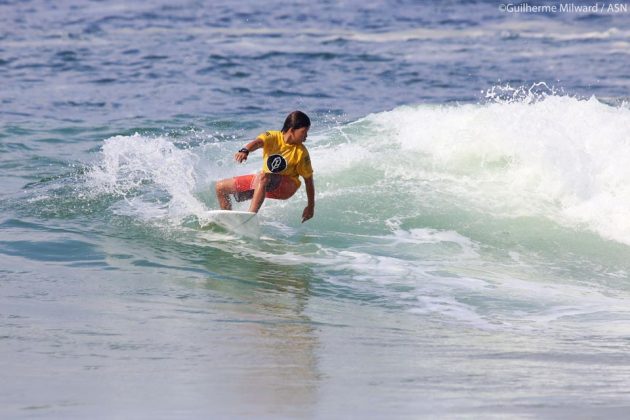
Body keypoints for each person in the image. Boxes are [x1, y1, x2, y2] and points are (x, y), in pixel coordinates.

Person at [215, 110, 315, 223]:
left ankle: (249, 218)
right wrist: (245, 150)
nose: (306, 136)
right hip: (266, 182)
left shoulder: (301, 152)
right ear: (292, 130)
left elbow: (308, 181)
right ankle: (229, 222)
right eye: (304, 132)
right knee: (221, 187)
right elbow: (258, 142)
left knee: (263, 176)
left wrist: (310, 206)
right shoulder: (273, 136)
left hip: (287, 187)